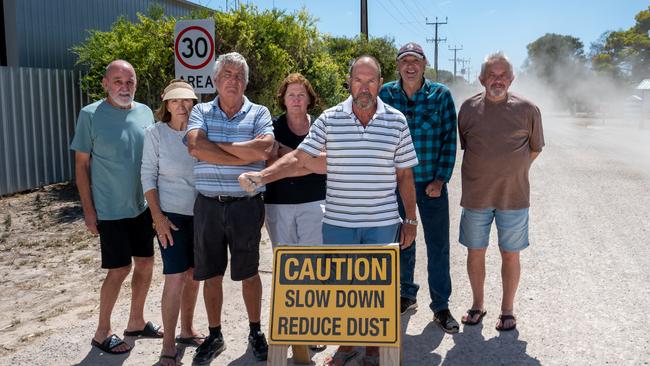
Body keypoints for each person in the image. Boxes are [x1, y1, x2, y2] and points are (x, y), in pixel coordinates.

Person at [239, 55, 418, 366]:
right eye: (358, 80)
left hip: (382, 221)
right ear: (349, 83)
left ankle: (374, 349)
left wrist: (411, 219)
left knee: (376, 290)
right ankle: (347, 346)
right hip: (338, 221)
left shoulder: (396, 121)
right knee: (343, 288)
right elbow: (299, 158)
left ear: (380, 83)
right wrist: (261, 177)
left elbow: (404, 174)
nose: (364, 87)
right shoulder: (329, 119)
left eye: (371, 80)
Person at [185, 52, 274, 364]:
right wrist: (242, 154)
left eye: (239, 76)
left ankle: (255, 331)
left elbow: (264, 150)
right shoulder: (201, 111)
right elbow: (194, 145)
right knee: (211, 273)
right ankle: (215, 334)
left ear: (246, 82)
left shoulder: (259, 112)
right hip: (208, 206)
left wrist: (214, 149)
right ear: (215, 80)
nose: (233, 80)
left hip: (246, 206)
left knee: (250, 272)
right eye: (227, 74)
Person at [71, 60, 162, 355]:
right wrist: (88, 210)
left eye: (130, 81)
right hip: (109, 209)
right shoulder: (90, 115)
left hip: (142, 206)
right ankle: (102, 332)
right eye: (118, 81)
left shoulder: (145, 112)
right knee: (119, 269)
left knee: (146, 264)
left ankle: (136, 321)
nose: (124, 87)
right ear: (106, 84)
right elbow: (82, 166)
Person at [457, 52, 544, 331]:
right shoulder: (467, 109)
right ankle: (477, 305)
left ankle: (508, 310)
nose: (498, 80)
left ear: (512, 78)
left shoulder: (528, 110)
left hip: (514, 197)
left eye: (503, 74)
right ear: (481, 78)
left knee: (510, 253)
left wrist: (513, 171)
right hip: (476, 196)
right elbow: (467, 147)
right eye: (492, 75)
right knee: (475, 252)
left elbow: (535, 148)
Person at [379, 42, 460, 333]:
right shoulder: (384, 93)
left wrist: (441, 179)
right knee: (403, 242)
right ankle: (405, 295)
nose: (410, 66)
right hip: (396, 185)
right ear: (397, 66)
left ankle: (441, 306)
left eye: (415, 60)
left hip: (430, 185)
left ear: (425, 64)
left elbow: (450, 139)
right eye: (404, 61)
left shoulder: (440, 95)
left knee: (438, 246)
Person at [141, 80, 203, 365]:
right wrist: (157, 217)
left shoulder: (201, 132)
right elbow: (147, 177)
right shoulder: (155, 134)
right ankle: (168, 345)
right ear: (166, 104)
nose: (182, 105)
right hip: (171, 217)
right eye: (176, 101)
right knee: (175, 276)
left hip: (201, 214)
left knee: (193, 275)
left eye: (187, 100)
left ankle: (187, 330)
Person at [264, 73, 326, 247]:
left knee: (314, 265)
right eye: (291, 95)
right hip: (278, 203)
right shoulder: (272, 126)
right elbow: (269, 165)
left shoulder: (320, 126)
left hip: (316, 202)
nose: (296, 100)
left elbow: (328, 164)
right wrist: (310, 160)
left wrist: (287, 154)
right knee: (286, 266)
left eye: (301, 95)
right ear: (283, 100)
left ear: (309, 99)